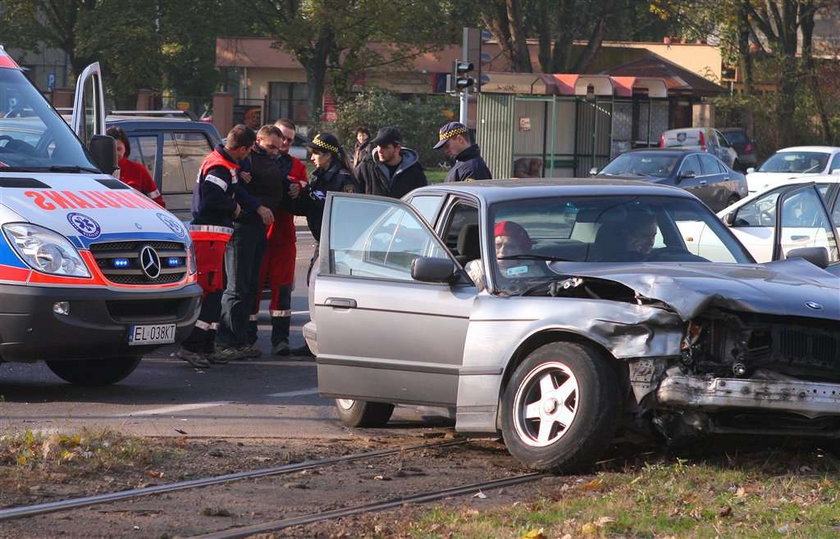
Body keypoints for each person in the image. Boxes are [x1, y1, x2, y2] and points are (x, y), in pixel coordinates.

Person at [173, 125, 260, 368]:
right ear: (241, 148)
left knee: (217, 290)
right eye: (248, 150)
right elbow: (211, 199)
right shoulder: (219, 167)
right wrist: (234, 208)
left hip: (215, 236)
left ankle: (206, 345)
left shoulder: (222, 162)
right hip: (209, 235)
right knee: (210, 292)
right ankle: (191, 346)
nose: (248, 155)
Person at [288, 132, 359, 357]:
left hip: (339, 244)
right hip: (323, 241)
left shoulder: (344, 180)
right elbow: (308, 207)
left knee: (332, 295)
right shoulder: (318, 176)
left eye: (317, 154)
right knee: (315, 288)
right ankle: (316, 340)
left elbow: (347, 211)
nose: (312, 158)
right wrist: (295, 195)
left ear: (329, 155)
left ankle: (335, 342)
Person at [214, 125, 281, 361]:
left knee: (250, 287)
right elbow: (227, 167)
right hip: (242, 228)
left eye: (279, 146)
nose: (275, 151)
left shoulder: (270, 160)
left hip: (257, 228)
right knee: (236, 288)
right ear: (257, 141)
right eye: (271, 145)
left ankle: (239, 341)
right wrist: (257, 206)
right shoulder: (244, 158)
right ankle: (225, 342)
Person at [248, 118, 308, 356]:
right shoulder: (253, 161)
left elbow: (304, 192)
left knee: (282, 290)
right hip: (259, 234)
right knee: (252, 288)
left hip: (283, 236)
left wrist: (299, 189)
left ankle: (280, 340)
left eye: (289, 140)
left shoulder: (295, 165)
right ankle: (248, 338)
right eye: (280, 138)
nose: (283, 143)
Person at [355, 126, 427, 199]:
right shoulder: (366, 167)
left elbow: (422, 201)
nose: (380, 150)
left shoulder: (415, 171)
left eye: (384, 147)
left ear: (397, 148)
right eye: (378, 146)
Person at [106, 126, 165, 207]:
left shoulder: (138, 170)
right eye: (111, 149)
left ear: (125, 148)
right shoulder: (96, 171)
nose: (115, 153)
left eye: (119, 149)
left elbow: (157, 201)